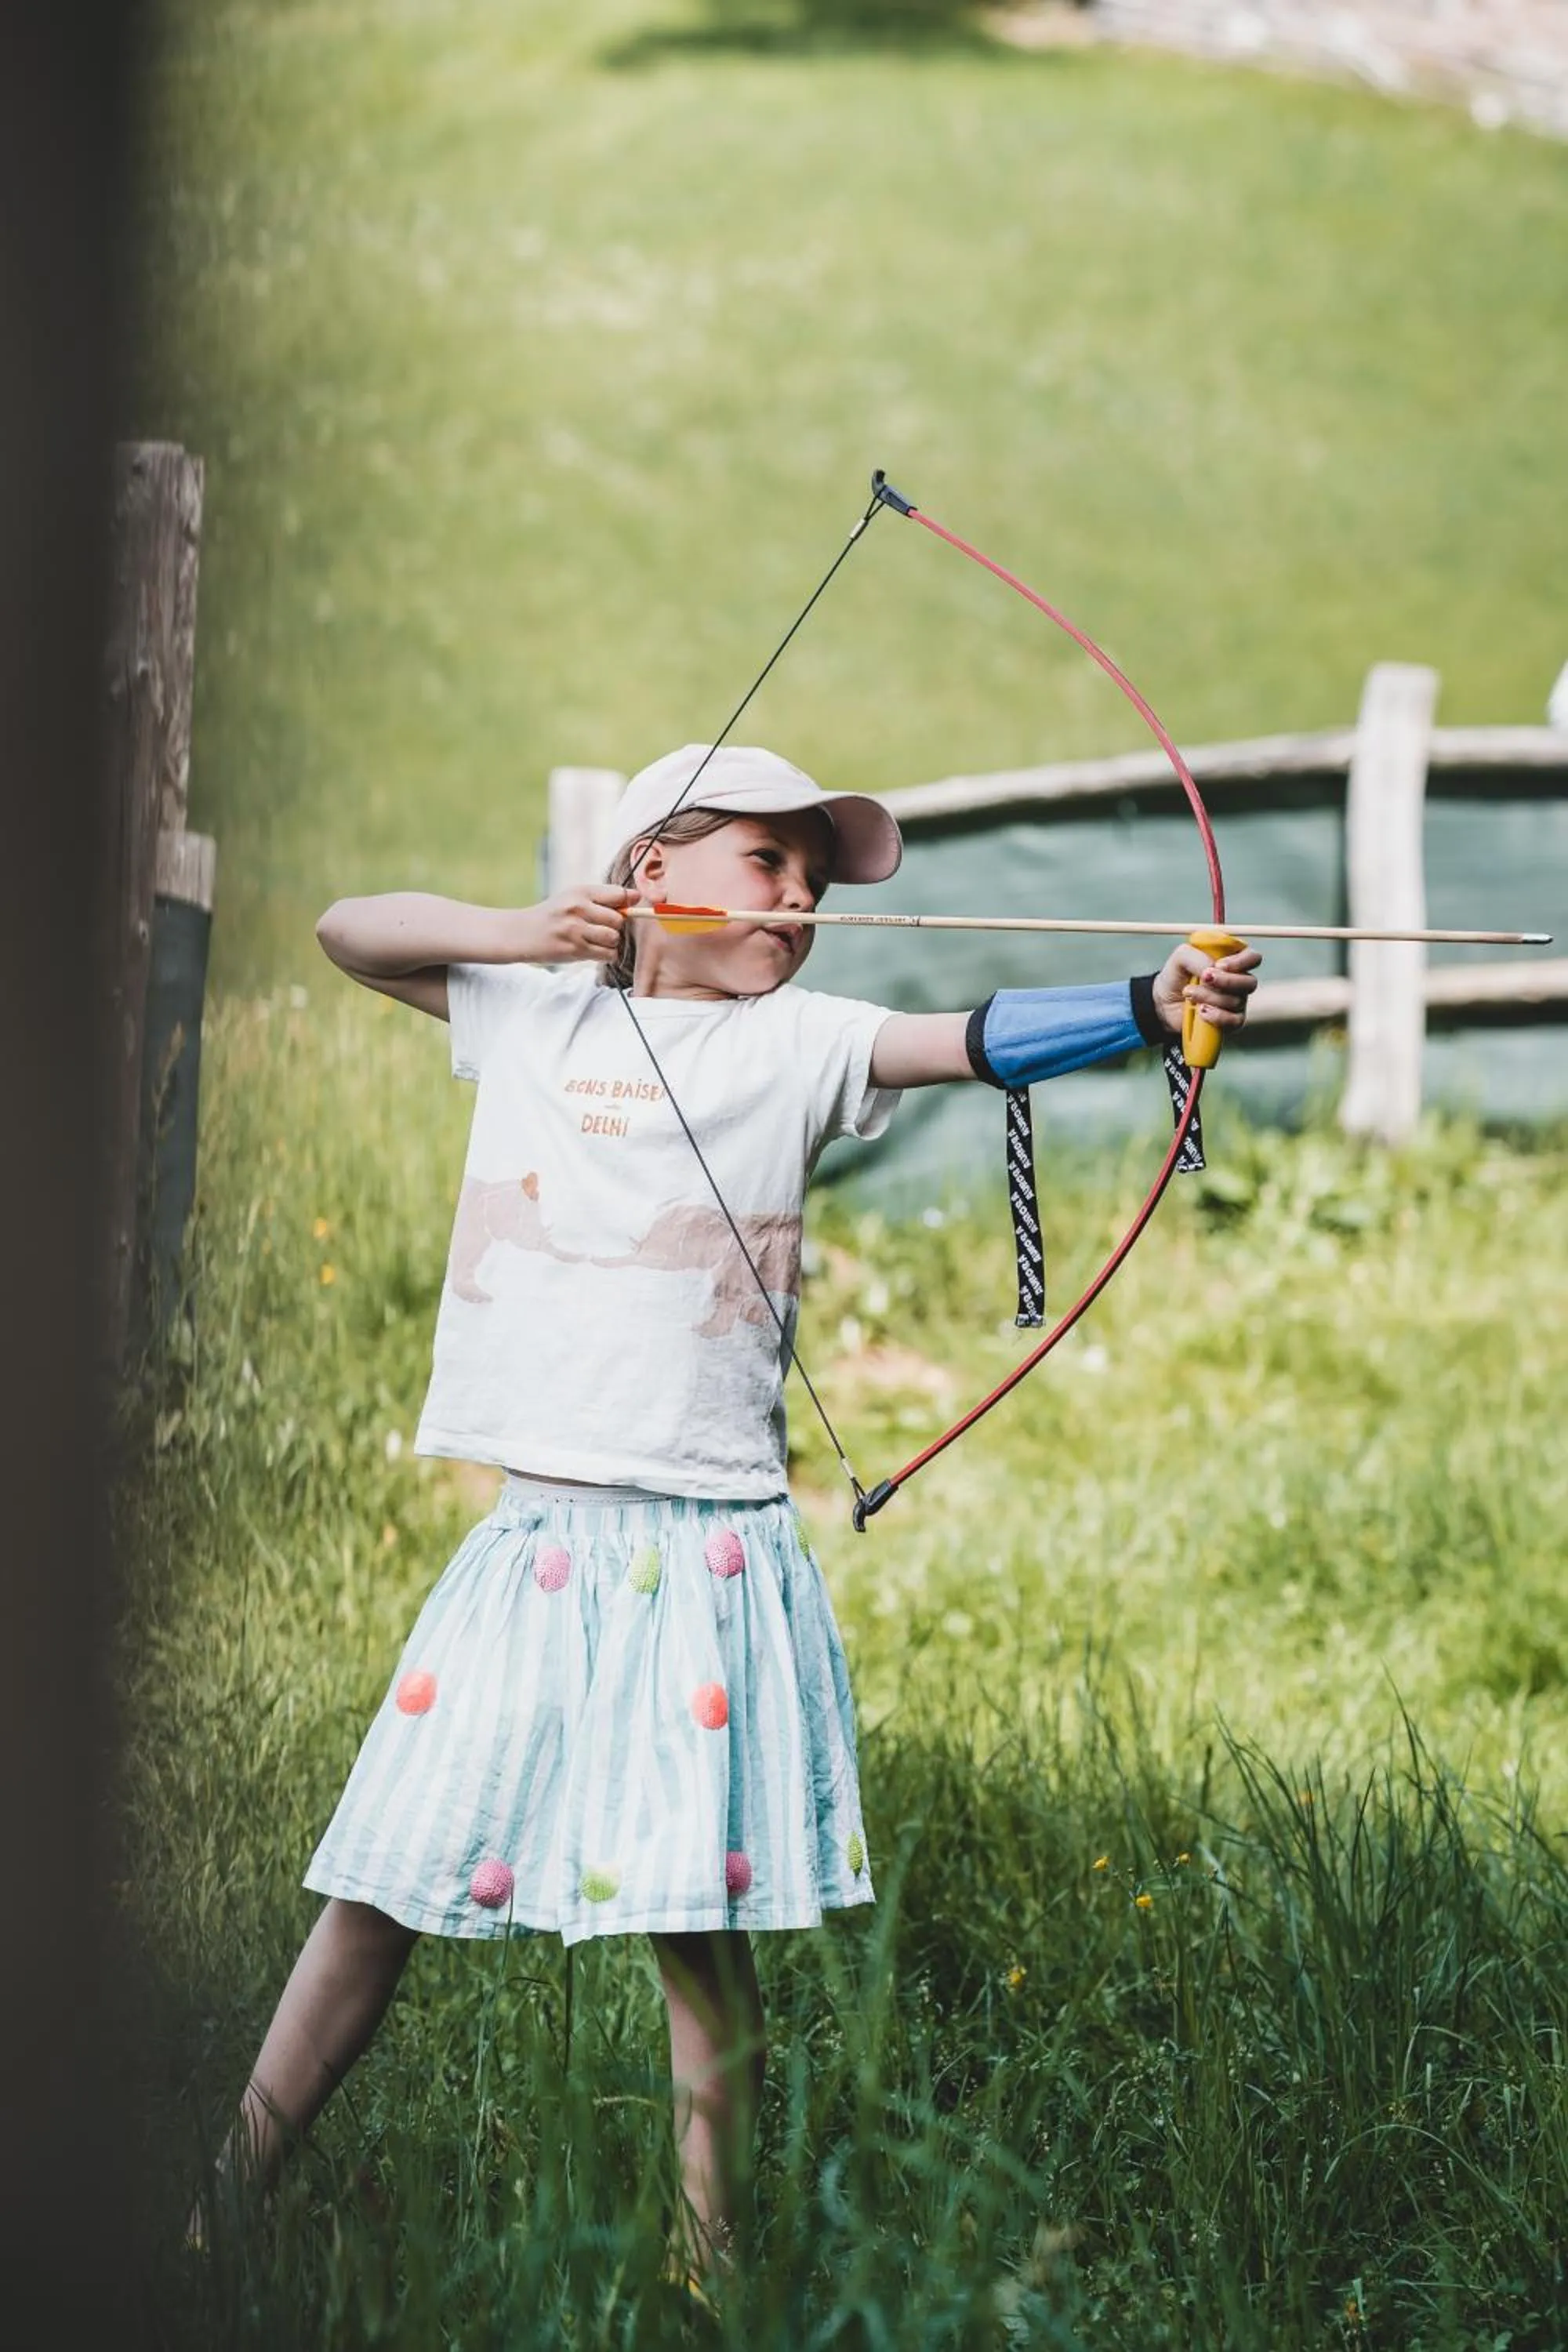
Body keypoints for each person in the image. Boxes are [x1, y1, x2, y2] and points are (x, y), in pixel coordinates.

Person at [188, 743, 1258, 2285]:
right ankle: (233, 2183)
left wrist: (1151, 1007)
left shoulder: (805, 1040)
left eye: (815, 881)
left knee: (699, 1929)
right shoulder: (533, 1012)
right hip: (539, 1539)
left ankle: (714, 2258)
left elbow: (971, 1037)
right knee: (381, 1881)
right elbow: (353, 929)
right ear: (653, 870)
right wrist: (524, 930)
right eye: (770, 863)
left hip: (702, 1548)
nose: (803, 899)